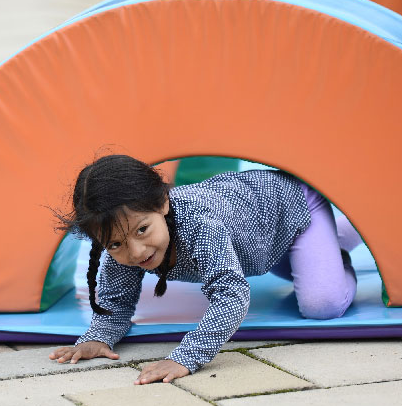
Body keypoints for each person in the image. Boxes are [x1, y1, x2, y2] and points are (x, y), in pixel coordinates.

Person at [49, 154, 361, 384]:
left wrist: (186, 356)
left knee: (322, 304)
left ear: (162, 204)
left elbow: (231, 294)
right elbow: (115, 301)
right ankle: (329, 249)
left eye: (143, 230)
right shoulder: (124, 236)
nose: (136, 251)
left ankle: (352, 236)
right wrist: (100, 336)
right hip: (259, 243)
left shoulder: (199, 224)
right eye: (115, 245)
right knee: (312, 264)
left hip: (291, 209)